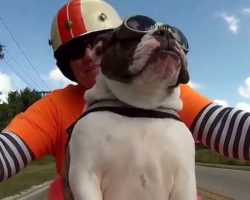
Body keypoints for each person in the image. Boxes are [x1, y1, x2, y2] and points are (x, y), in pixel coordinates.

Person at [0, 0, 249, 199]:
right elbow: (10, 149)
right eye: (75, 51)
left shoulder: (160, 91)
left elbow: (226, 126)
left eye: (99, 42)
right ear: (66, 65)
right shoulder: (55, 106)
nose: (90, 55)